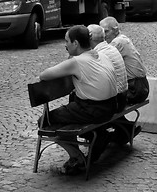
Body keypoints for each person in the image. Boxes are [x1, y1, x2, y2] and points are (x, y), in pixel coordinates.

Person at [38, 25, 118, 175]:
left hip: (93, 109)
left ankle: (77, 157)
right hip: (112, 106)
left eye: (67, 41)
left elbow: (44, 75)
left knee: (44, 121)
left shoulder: (77, 61)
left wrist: (70, 61)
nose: (65, 45)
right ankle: (98, 137)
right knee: (70, 109)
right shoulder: (101, 55)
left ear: (75, 43)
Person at [99, 16, 149, 144]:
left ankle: (108, 134)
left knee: (105, 105)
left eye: (106, 31)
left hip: (135, 88)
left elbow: (99, 61)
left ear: (116, 30)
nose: (104, 36)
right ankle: (125, 128)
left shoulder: (117, 43)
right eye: (102, 32)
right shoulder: (123, 38)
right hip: (140, 85)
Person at [87, 24, 128, 112]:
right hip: (123, 97)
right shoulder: (111, 48)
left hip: (114, 101)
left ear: (89, 37)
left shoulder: (98, 54)